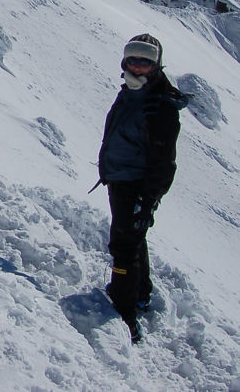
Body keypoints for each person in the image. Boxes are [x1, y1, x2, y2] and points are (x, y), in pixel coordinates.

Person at [96, 33, 187, 344]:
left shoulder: (158, 106)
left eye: (145, 61)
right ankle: (140, 294)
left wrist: (147, 201)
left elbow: (164, 162)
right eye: (133, 58)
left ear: (156, 65)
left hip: (135, 184)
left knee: (123, 245)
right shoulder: (131, 93)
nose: (137, 65)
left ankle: (125, 313)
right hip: (120, 177)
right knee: (134, 239)